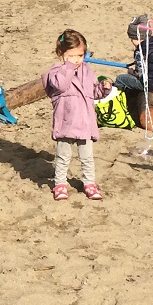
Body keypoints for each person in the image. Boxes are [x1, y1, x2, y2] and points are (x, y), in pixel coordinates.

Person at [41, 29, 111, 201]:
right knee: (63, 155)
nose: (77, 60)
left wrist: (103, 88)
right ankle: (60, 184)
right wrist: (69, 66)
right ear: (61, 54)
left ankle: (89, 183)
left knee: (87, 157)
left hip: (85, 121)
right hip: (67, 121)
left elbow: (93, 92)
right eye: (72, 56)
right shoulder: (57, 71)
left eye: (80, 55)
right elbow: (61, 85)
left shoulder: (87, 71)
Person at [114, 15, 153, 122]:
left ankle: (116, 102)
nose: (131, 41)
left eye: (132, 39)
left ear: (138, 38)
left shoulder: (141, 50)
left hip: (149, 83)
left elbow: (140, 72)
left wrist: (133, 73)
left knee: (121, 79)